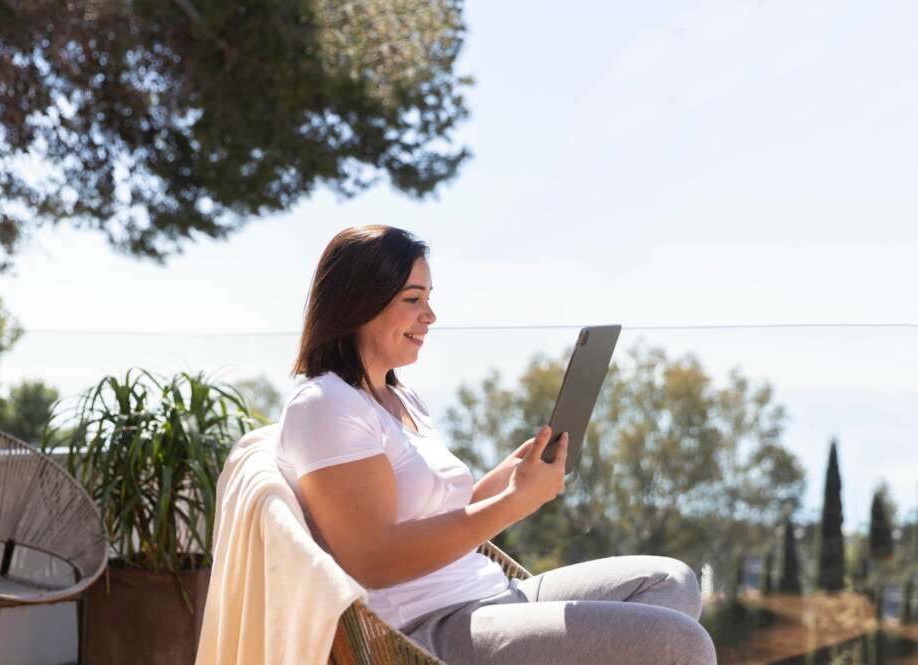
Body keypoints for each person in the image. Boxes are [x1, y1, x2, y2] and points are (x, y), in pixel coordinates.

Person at [276, 225, 717, 664]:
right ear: (358, 302)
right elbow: (373, 559)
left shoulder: (399, 397)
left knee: (670, 583)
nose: (429, 316)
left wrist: (513, 475)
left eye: (428, 298)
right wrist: (516, 503)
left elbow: (438, 516)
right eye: (413, 300)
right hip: (428, 627)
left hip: (491, 594)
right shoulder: (327, 405)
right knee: (681, 643)